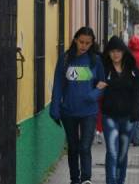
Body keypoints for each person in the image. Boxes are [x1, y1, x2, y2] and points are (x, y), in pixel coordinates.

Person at [50, 27, 106, 184]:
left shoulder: (96, 61)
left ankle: (86, 179)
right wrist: (55, 107)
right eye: (81, 42)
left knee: (85, 147)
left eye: (88, 43)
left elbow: (102, 85)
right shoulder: (65, 59)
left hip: (89, 111)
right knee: (73, 148)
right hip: (69, 111)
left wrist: (92, 95)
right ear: (75, 40)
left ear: (92, 43)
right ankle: (75, 179)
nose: (84, 46)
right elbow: (58, 84)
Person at [101, 36, 139, 184]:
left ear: (124, 52)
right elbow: (94, 85)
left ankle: (120, 181)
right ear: (108, 53)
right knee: (112, 152)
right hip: (109, 117)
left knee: (123, 153)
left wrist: (136, 111)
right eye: (112, 51)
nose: (115, 54)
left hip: (128, 118)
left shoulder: (134, 72)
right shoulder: (103, 69)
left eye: (118, 51)